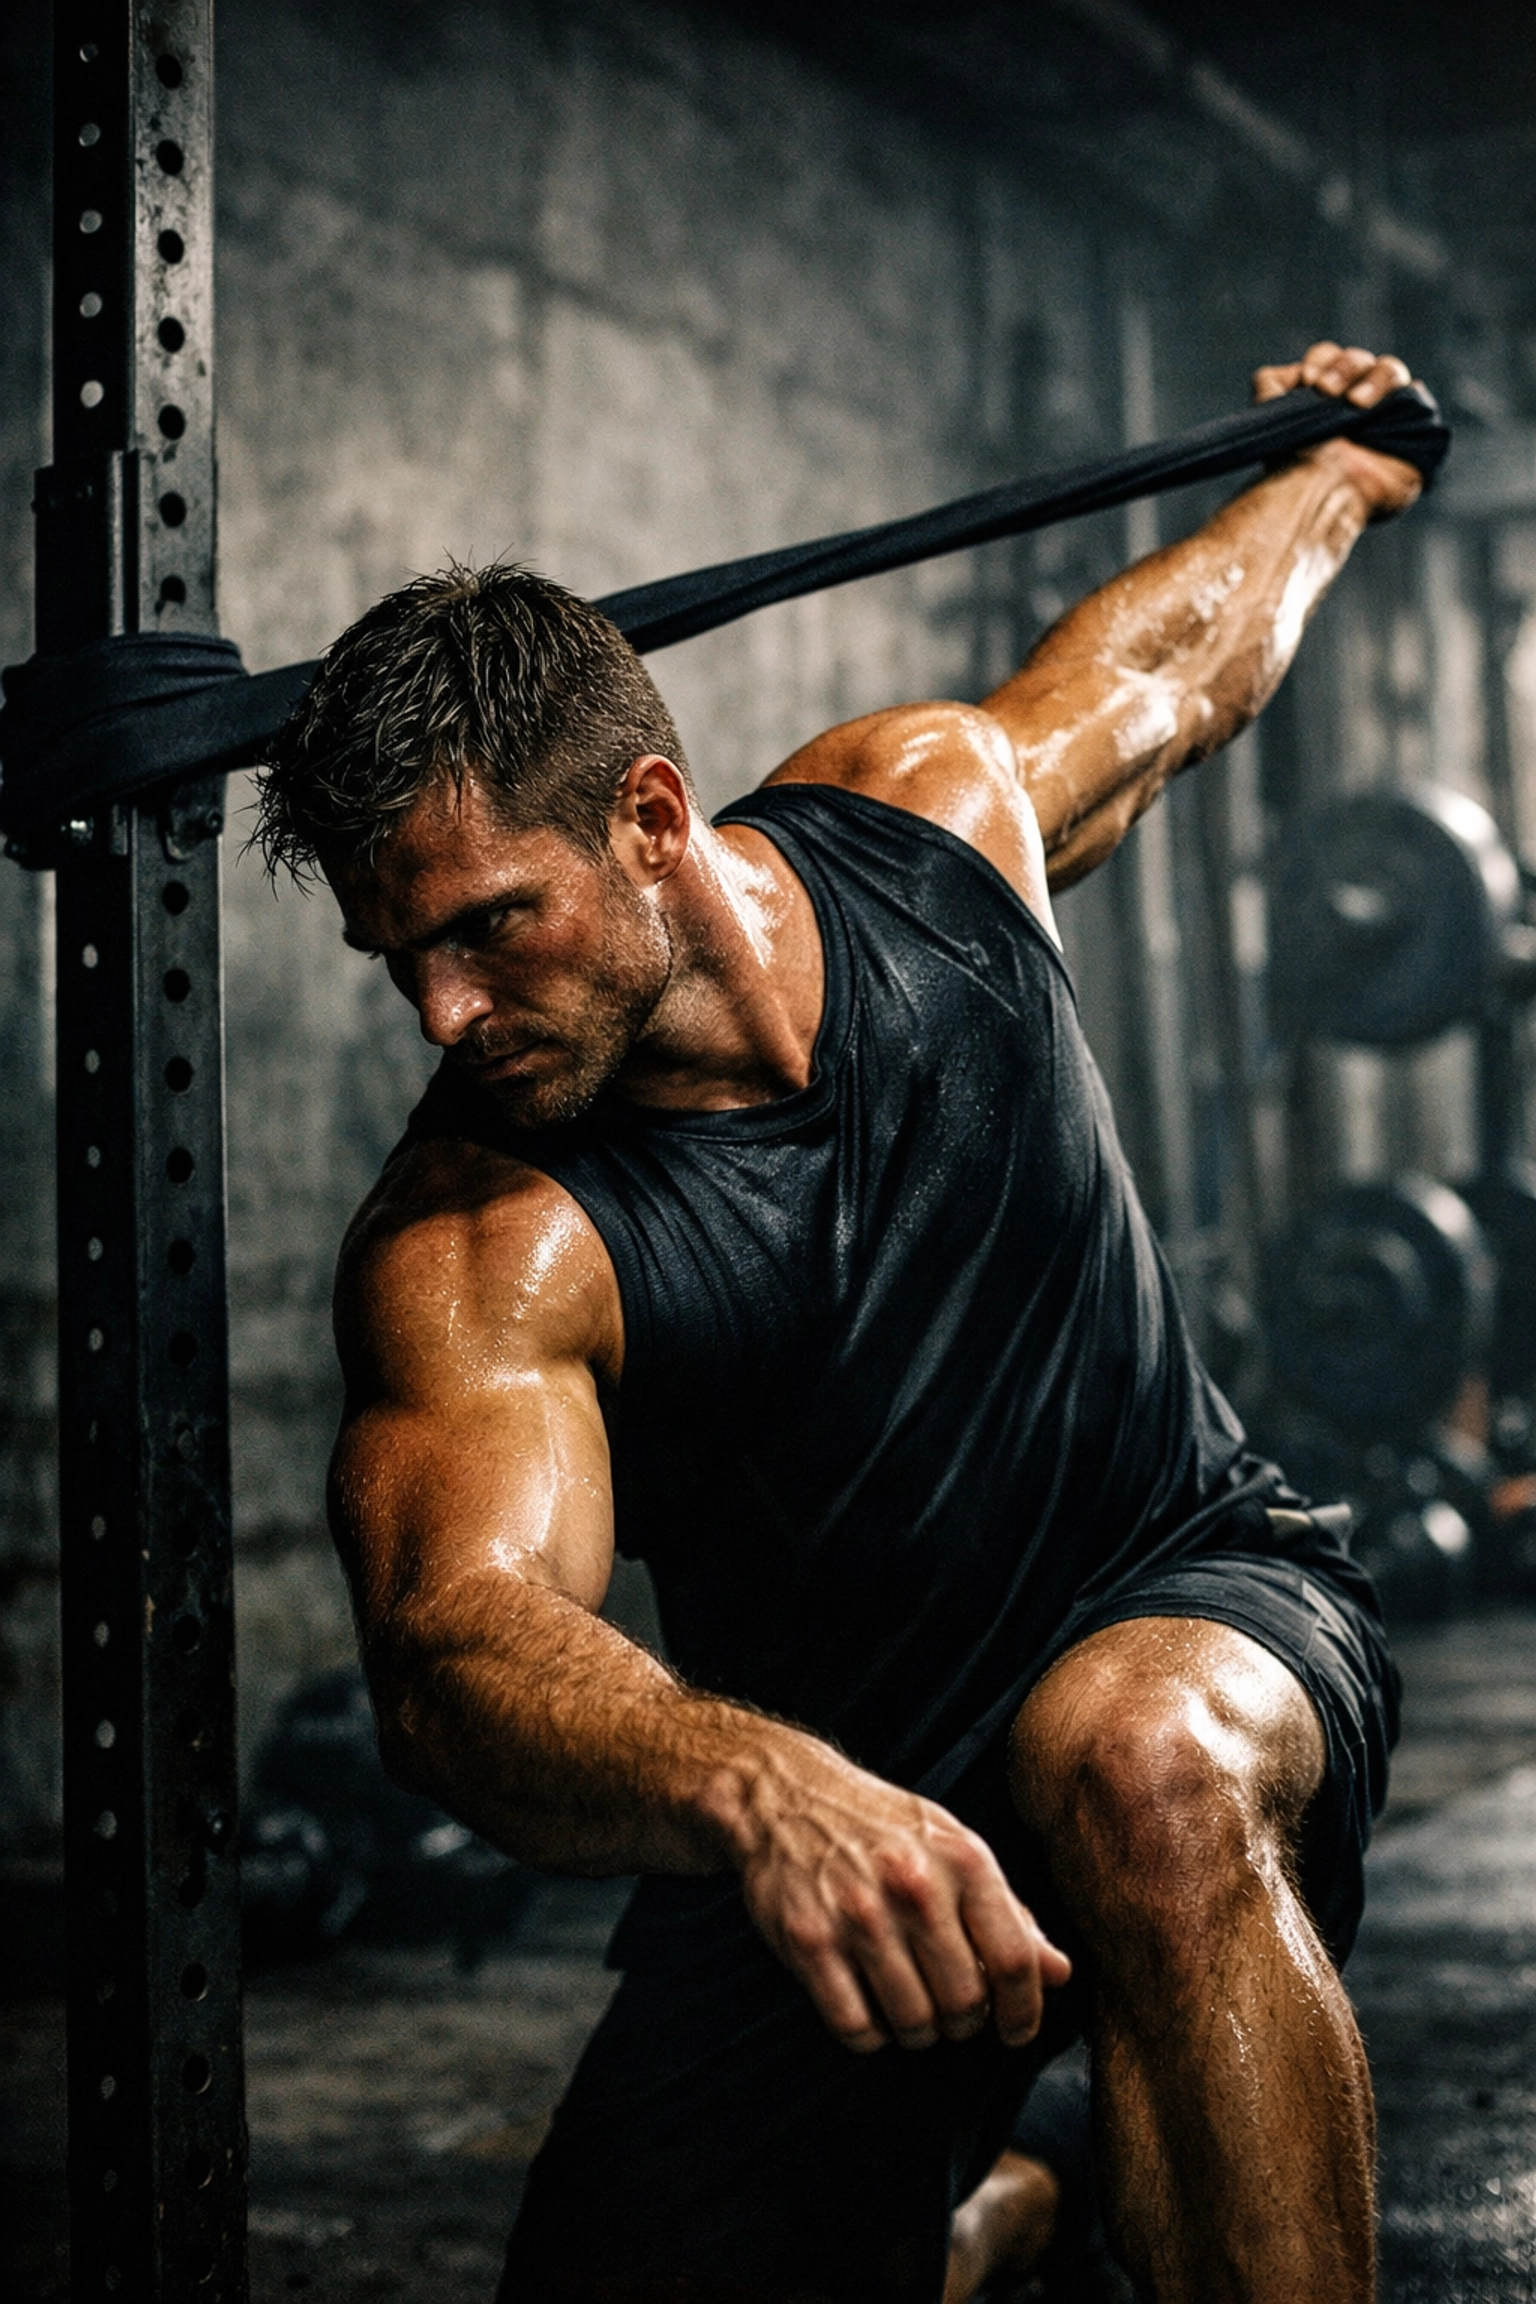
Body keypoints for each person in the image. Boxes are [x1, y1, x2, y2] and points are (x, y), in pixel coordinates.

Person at [256, 341, 1415, 2304]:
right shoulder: (483, 1239)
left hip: (1192, 1602)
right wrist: (757, 1788)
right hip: (828, 1804)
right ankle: (1022, 2186)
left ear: (649, 816)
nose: (440, 1013)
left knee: (1138, 1767)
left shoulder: (932, 825)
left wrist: (1347, 477)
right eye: (400, 960)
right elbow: (457, 1639)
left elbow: (1179, 664)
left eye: (484, 928)